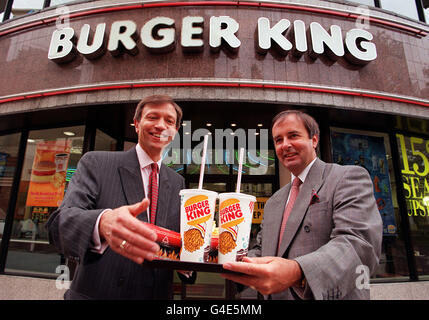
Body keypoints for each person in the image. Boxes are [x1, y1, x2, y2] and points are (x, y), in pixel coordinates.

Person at [222, 110, 383, 300]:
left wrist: (297, 271)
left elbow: (359, 245)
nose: (285, 145)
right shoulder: (274, 200)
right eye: (278, 140)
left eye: (293, 136)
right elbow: (262, 250)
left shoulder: (346, 177)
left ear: (314, 140)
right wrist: (226, 257)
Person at [47, 95, 193, 299]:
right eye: (152, 117)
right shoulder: (97, 163)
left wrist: (194, 255)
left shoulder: (177, 182)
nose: (160, 125)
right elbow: (61, 222)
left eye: (169, 121)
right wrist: (101, 222)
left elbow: (175, 239)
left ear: (175, 132)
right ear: (136, 124)